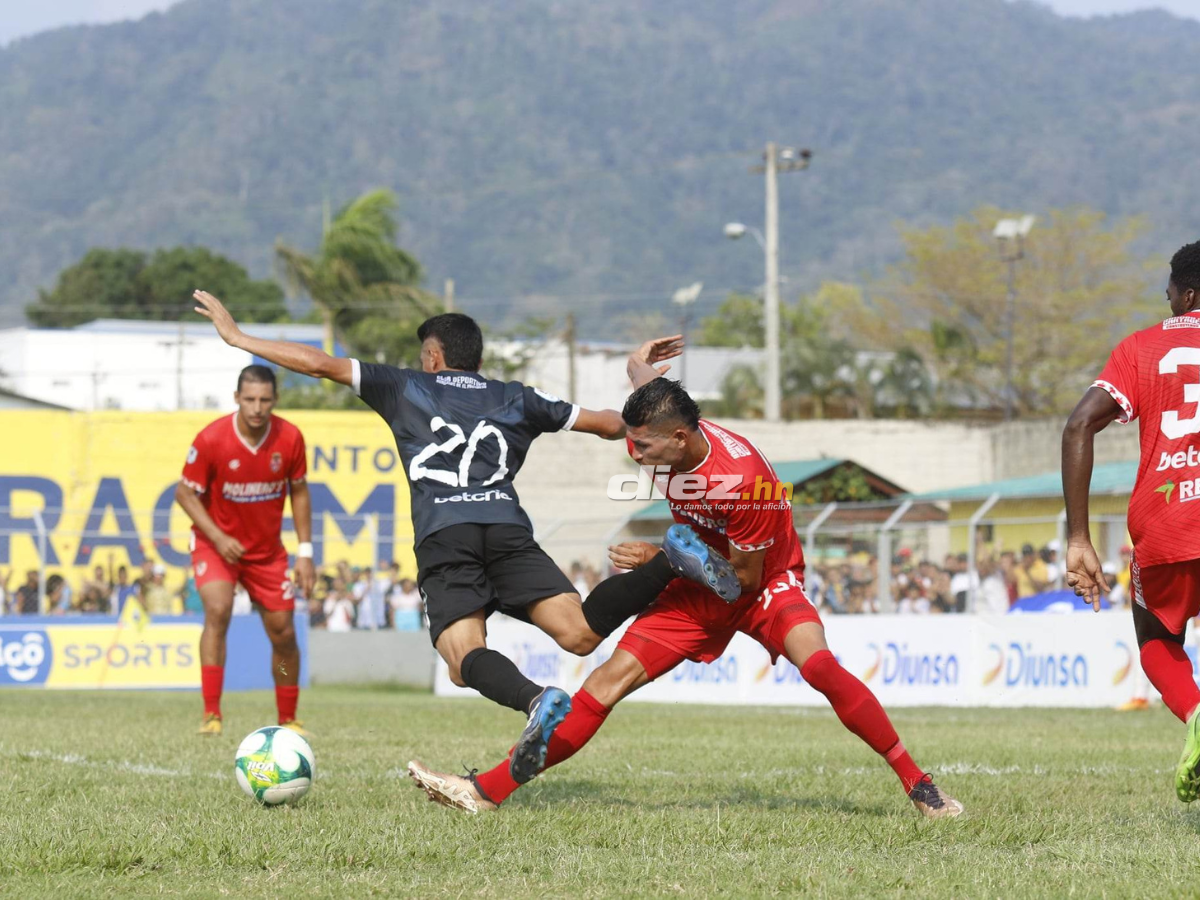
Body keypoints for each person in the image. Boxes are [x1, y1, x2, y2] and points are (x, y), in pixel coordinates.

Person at [192, 291, 736, 775]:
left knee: (460, 658)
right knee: (579, 633)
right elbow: (616, 424)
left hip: (445, 535)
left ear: (432, 356)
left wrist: (239, 337)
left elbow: (319, 364)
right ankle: (669, 558)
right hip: (505, 529)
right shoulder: (517, 397)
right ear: (476, 356)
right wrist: (645, 379)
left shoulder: (405, 385)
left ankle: (536, 700)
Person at [407, 376, 962, 818]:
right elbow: (656, 393)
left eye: (642, 445)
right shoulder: (670, 434)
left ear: (679, 437)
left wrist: (657, 561)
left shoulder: (743, 480)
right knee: (602, 684)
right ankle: (486, 791)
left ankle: (920, 785)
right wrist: (639, 365)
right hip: (693, 581)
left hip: (760, 581)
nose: (634, 453)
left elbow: (739, 581)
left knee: (818, 666)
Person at [1062, 239, 1200, 803]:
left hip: (1166, 522)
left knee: (1155, 642)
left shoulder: (1141, 348)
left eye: (1169, 289)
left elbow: (1077, 428)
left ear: (1188, 294)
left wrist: (1077, 538)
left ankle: (1196, 715)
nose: (1164, 297)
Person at [175, 363, 315, 738]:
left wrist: (305, 551)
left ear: (275, 400)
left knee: (283, 633)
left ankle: (288, 717)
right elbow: (184, 493)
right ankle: (211, 713)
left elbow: (299, 491)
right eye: (249, 399)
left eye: (265, 400)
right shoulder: (211, 439)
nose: (257, 408)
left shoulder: (290, 438)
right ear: (237, 398)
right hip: (215, 545)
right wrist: (218, 538)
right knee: (218, 611)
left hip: (266, 552)